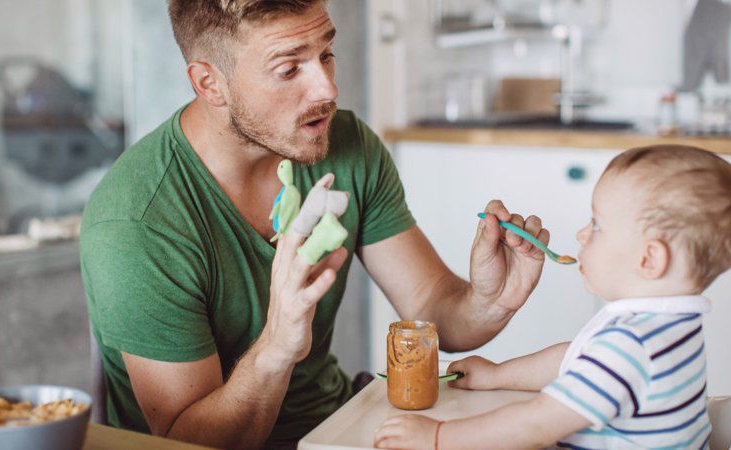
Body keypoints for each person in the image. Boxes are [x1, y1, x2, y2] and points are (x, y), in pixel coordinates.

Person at [80, 1, 550, 448]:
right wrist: (278, 345)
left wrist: (490, 301)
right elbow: (190, 441)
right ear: (209, 83)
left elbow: (430, 309)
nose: (327, 89)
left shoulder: (347, 145)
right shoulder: (138, 223)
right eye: (289, 69)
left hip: (337, 420)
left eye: (326, 54)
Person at [374, 145, 731, 449]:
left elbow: (537, 423)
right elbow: (576, 357)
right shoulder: (667, 328)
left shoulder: (632, 344)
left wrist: (438, 437)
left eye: (598, 225)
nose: (583, 234)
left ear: (648, 258)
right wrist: (497, 375)